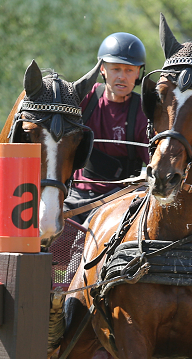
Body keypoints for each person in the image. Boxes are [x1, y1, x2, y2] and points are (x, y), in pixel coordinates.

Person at [64, 32, 149, 222]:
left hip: (120, 201)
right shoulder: (84, 98)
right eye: (116, 69)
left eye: (129, 70)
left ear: (138, 73)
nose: (122, 77)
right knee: (46, 231)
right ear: (102, 69)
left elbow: (156, 164)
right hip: (75, 196)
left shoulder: (144, 113)